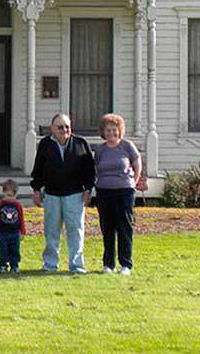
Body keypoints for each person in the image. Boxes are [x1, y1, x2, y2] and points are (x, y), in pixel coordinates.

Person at [29, 112, 95, 274]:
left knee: (76, 231)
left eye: (67, 126)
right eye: (60, 127)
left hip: (74, 195)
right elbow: (38, 169)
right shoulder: (45, 144)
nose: (64, 130)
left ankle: (77, 266)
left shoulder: (80, 144)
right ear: (52, 128)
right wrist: (36, 189)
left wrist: (88, 190)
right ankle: (50, 265)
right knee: (51, 232)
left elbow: (89, 170)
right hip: (51, 194)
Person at [93, 112, 143, 274]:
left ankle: (125, 264)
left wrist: (133, 182)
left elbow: (137, 165)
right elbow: (95, 169)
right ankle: (108, 264)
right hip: (104, 192)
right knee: (107, 228)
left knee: (124, 228)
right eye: (108, 130)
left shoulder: (127, 146)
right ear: (103, 132)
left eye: (114, 130)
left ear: (119, 130)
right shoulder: (100, 150)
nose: (111, 133)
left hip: (124, 192)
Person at [0, 178, 27, 273]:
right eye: (8, 195)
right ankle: (2, 265)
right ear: (3, 193)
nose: (10, 198)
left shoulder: (17, 205)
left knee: (15, 250)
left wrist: (22, 232)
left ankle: (14, 265)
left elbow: (21, 219)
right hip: (3, 233)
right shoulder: (0, 205)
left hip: (15, 233)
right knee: (2, 250)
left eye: (12, 196)